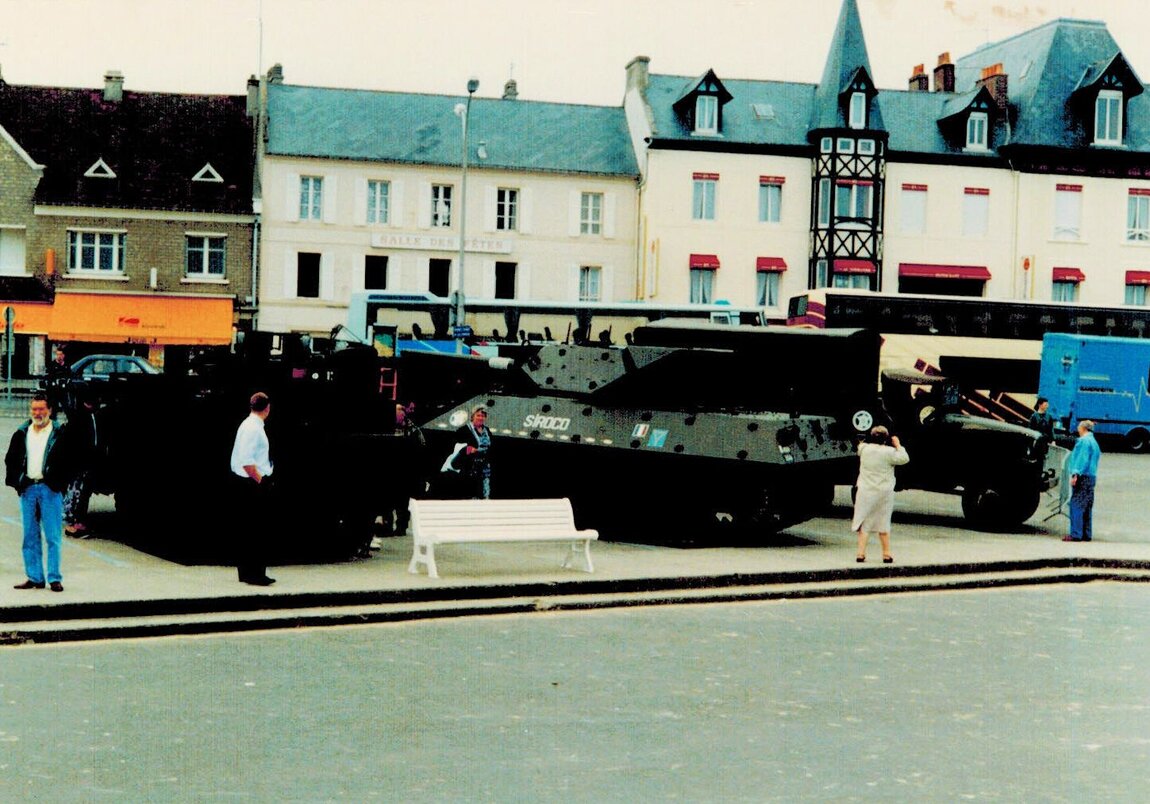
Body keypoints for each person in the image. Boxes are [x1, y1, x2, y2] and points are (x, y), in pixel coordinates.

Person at [5, 392, 73, 592]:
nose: (37, 413)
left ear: (50, 410)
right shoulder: (22, 433)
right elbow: (11, 460)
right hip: (28, 490)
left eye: (41, 409)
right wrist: (19, 482)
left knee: (52, 536)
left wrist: (58, 484)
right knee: (30, 536)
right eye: (34, 409)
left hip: (49, 490)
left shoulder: (59, 434)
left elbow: (70, 463)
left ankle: (54, 578)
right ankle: (34, 577)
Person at [229, 391, 276, 585]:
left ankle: (246, 571)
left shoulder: (247, 425)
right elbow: (247, 461)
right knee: (257, 530)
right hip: (252, 483)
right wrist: (261, 481)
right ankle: (255, 573)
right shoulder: (254, 428)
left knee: (248, 529)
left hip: (246, 482)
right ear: (267, 408)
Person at [851, 425, 910, 564]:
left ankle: (860, 553)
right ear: (886, 439)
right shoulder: (889, 453)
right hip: (884, 492)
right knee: (883, 521)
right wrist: (898, 445)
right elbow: (904, 458)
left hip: (865, 490)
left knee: (864, 521)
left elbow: (859, 446)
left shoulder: (864, 449)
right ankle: (886, 554)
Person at [63, 386, 103, 538]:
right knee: (79, 493)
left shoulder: (82, 416)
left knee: (77, 493)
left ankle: (74, 522)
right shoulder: (83, 418)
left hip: (82, 462)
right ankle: (76, 523)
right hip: (82, 463)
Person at [1064, 419, 1101, 543]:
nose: (1078, 429)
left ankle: (1076, 533)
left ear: (1083, 428)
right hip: (1091, 476)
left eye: (1079, 427)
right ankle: (1086, 533)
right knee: (1087, 506)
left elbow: (1081, 459)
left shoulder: (1083, 441)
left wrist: (1075, 474)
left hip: (1083, 476)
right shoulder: (1094, 442)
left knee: (1076, 504)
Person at [449, 406, 493, 499]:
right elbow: (456, 446)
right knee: (468, 494)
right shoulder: (464, 430)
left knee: (484, 494)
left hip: (484, 468)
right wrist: (468, 449)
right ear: (473, 416)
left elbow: (491, 447)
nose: (480, 418)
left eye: (483, 416)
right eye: (478, 415)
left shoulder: (487, 430)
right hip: (468, 468)